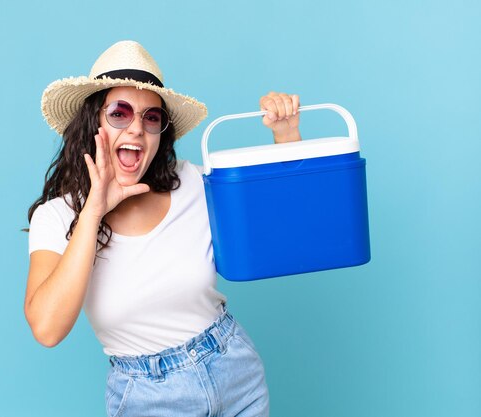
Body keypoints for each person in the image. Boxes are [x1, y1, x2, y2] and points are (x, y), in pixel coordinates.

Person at [24, 40, 301, 417]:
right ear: (94, 123)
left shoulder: (193, 183)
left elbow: (278, 233)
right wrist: (92, 213)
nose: (137, 128)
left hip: (234, 370)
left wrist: (285, 137)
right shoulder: (57, 217)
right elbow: (47, 328)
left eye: (151, 117)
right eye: (120, 113)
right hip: (148, 396)